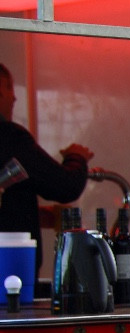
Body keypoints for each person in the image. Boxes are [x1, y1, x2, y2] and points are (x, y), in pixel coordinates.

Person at [0, 63, 94, 280]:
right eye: (9, 88)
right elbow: (65, 186)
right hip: (9, 269)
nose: (14, 98)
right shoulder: (10, 137)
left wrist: (33, 214)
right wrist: (76, 157)